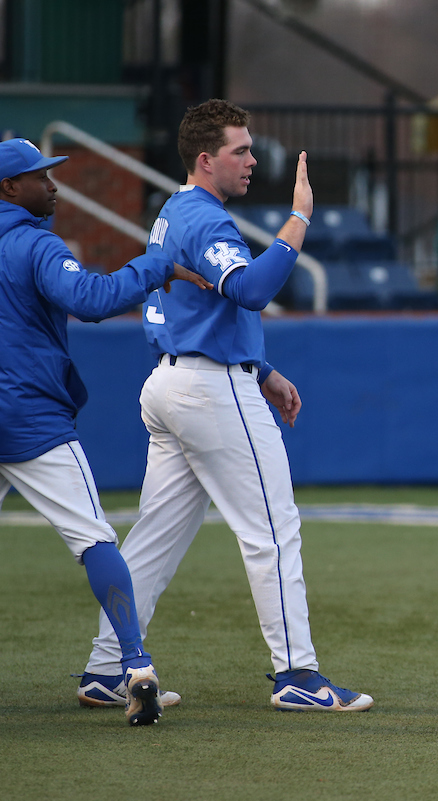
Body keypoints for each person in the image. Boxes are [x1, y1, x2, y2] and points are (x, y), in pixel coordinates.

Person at [77, 100, 374, 713]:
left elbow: (205, 305)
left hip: (173, 381)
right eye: (240, 149)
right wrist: (298, 220)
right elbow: (251, 289)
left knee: (155, 536)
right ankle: (297, 675)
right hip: (210, 391)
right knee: (272, 530)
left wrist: (260, 368)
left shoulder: (175, 210)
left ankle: (108, 667)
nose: (252, 159)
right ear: (206, 159)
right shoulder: (205, 218)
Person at [0, 138, 210, 726]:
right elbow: (89, 300)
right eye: (40, 176)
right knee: (94, 539)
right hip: (30, 419)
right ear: (9, 188)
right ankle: (133, 667)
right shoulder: (32, 242)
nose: (53, 185)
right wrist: (157, 265)